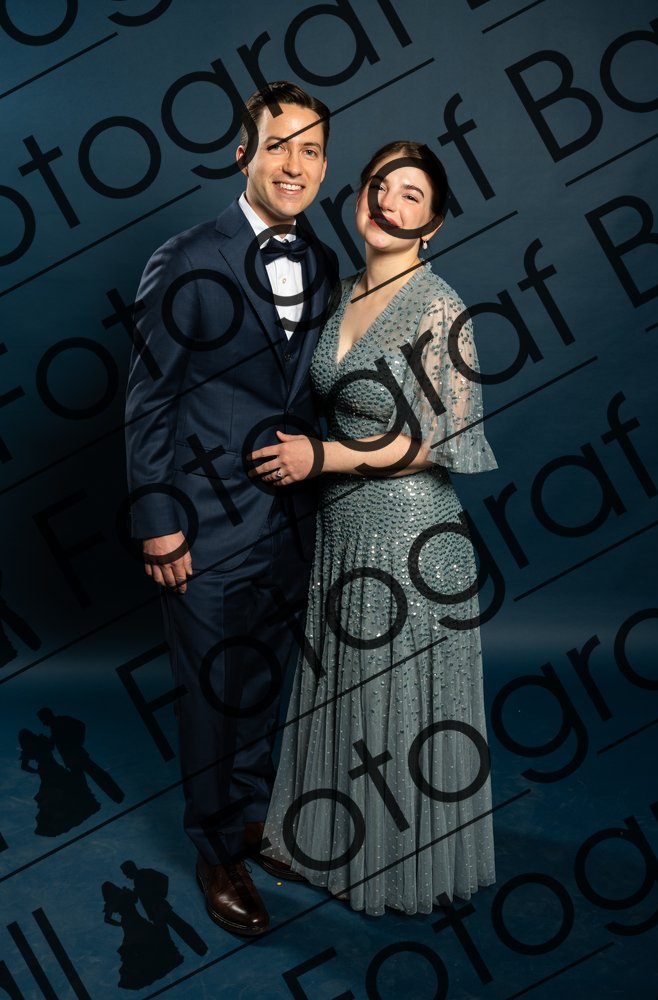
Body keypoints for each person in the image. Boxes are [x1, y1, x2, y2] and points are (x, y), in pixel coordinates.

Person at [253, 140, 497, 915]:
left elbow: (435, 442)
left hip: (411, 534)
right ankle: (323, 844)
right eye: (379, 187)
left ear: (434, 223)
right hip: (343, 525)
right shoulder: (339, 291)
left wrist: (320, 455)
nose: (388, 203)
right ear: (359, 198)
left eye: (410, 195)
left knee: (392, 701)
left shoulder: (439, 307)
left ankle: (392, 868)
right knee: (341, 689)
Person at [124, 81, 338, 936]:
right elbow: (149, 401)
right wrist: (157, 523)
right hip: (202, 525)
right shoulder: (184, 258)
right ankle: (215, 851)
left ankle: (251, 819)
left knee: (262, 680)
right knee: (213, 690)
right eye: (279, 144)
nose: (295, 164)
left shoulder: (322, 261)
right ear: (243, 153)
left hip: (291, 522)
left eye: (312, 149)